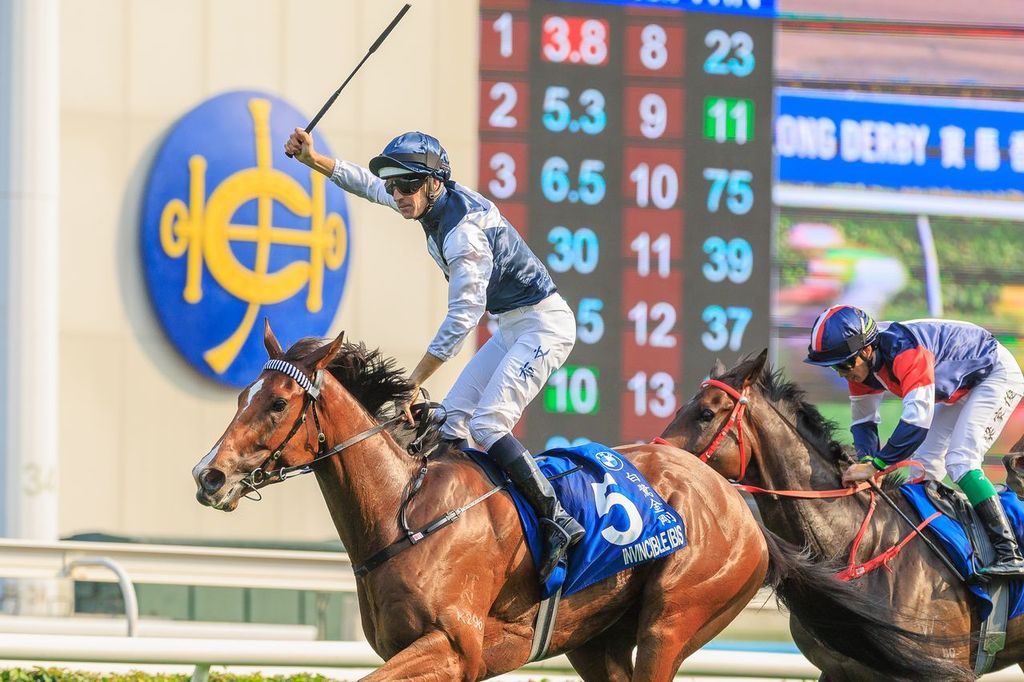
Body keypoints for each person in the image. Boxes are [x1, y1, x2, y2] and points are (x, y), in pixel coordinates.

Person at [284, 129, 583, 581]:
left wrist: (414, 381)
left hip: (545, 327)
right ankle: (467, 522)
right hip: (512, 326)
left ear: (434, 182)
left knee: (487, 424)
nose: (397, 195)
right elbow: (368, 185)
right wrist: (314, 160)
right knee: (450, 423)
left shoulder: (465, 236)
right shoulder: (426, 200)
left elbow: (463, 319)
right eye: (394, 185)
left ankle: (557, 520)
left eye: (406, 185)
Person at [805, 304, 1024, 576]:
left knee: (961, 460)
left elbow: (916, 422)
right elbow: (863, 423)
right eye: (833, 367)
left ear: (867, 350)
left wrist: (876, 465)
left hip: (994, 374)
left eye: (843, 364)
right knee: (923, 467)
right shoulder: (861, 365)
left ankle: (1009, 551)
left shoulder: (904, 350)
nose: (841, 373)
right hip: (959, 386)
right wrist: (867, 461)